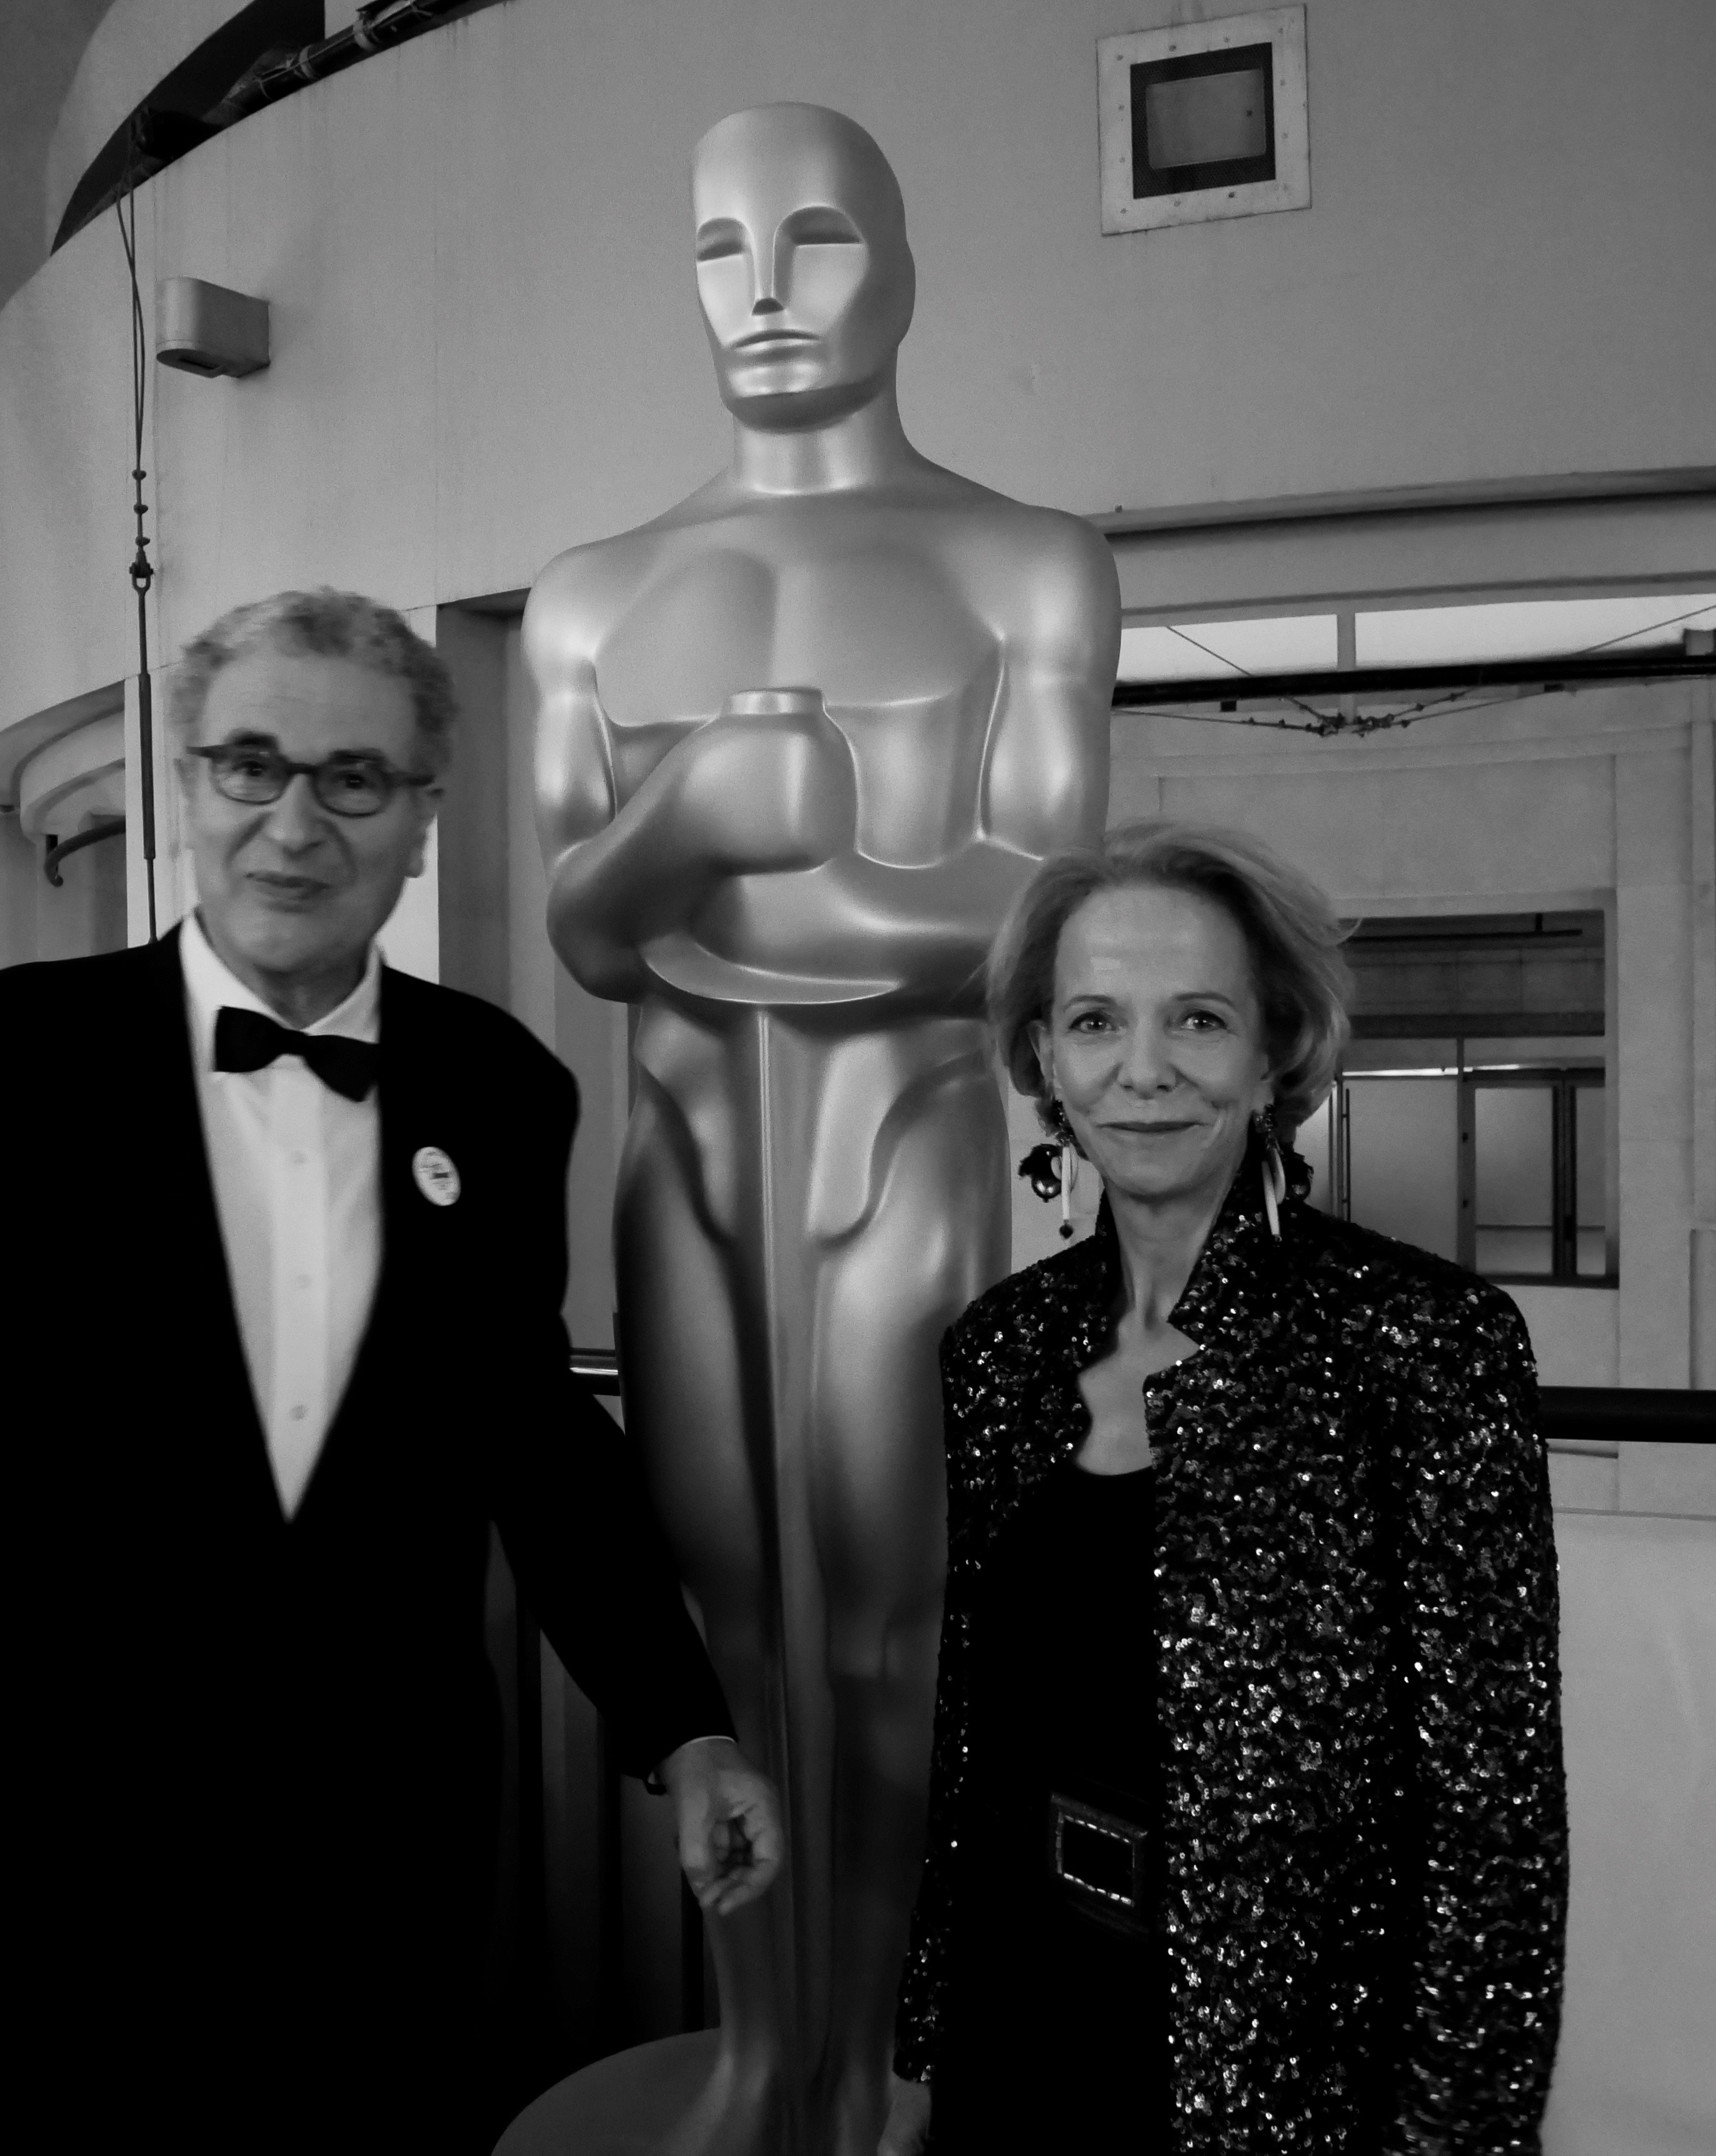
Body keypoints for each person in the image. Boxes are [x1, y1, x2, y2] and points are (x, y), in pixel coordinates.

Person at [0, 589, 783, 2154]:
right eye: (250, 765)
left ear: (424, 819)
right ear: (187, 787)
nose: (295, 824)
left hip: (390, 1874)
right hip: (66, 1877)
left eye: (354, 778)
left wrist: (684, 1724)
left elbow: (532, 1437)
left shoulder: (499, 1086)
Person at [526, 101, 1116, 2150]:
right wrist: (694, 815)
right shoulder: (591, 595)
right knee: (720, 1633)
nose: (765, 290)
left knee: (890, 1625)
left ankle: (878, 2055)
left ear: (906, 266)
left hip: (903, 1158)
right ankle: (759, 2044)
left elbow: (1038, 916)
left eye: (819, 239)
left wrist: (762, 882)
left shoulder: (1021, 561)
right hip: (681, 1168)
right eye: (720, 248)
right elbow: (582, 926)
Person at [887, 822, 1568, 2153]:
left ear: (1273, 1054)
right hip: (1017, 2023)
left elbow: (1492, 1835)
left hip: (1271, 2073)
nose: (1142, 1069)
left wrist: (1457, 2139)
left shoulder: (1421, 1347)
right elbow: (974, 1735)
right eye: (1095, 1020)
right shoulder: (1000, 1349)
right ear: (1043, 1058)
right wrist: (922, 2042)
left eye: (1197, 1018)